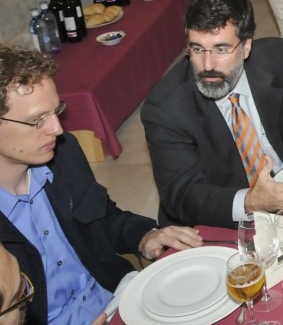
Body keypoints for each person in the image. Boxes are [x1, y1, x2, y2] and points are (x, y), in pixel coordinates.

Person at [0, 45, 202, 325]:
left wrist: (145, 236)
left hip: (113, 295)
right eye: (37, 120)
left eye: (56, 111)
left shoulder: (63, 152)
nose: (57, 129)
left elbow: (102, 218)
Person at [142, 0, 283, 228]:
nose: (207, 65)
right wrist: (250, 202)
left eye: (221, 49)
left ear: (246, 47)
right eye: (197, 49)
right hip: (220, 215)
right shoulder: (165, 108)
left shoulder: (277, 59)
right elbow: (183, 196)